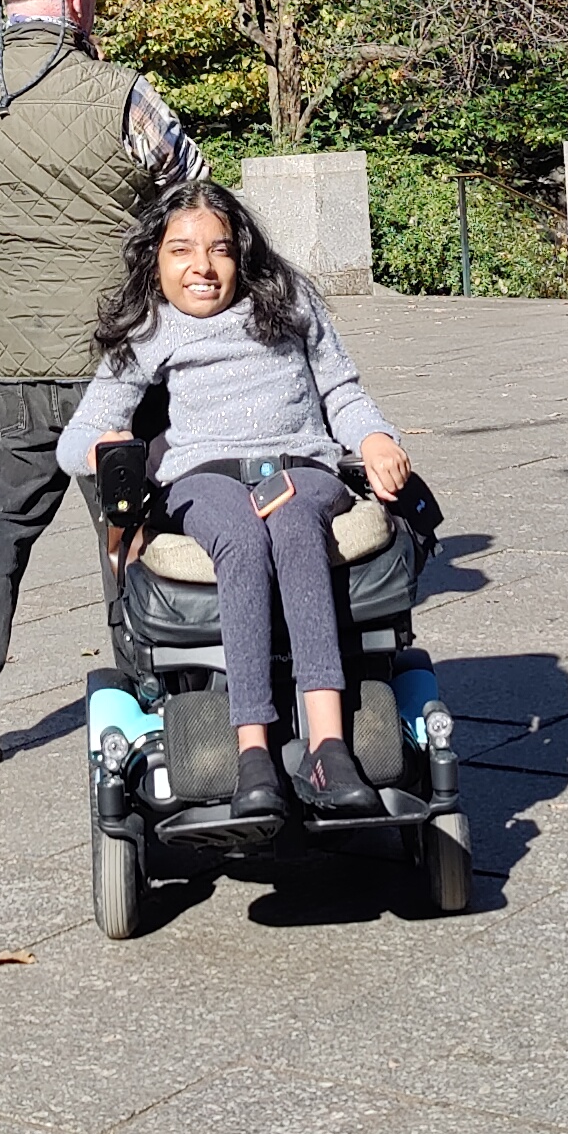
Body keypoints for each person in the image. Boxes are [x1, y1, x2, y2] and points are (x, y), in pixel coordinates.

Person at [0, 0, 206, 762]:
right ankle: (153, 692)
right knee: (130, 525)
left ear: (6, 0)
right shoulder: (122, 92)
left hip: (9, 355)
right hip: (108, 357)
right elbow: (194, 196)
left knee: (1, 517)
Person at [62, 182, 410, 818]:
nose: (202, 266)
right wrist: (103, 449)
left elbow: (342, 390)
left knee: (297, 526)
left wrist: (376, 436)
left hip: (300, 464)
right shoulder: (150, 328)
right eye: (182, 251)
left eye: (220, 250)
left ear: (242, 253)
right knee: (242, 538)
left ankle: (328, 747)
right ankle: (252, 752)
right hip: (204, 476)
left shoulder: (288, 302)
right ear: (156, 261)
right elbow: (79, 434)